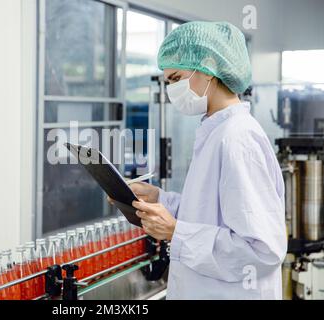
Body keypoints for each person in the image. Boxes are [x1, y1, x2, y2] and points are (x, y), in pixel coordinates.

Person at [111, 21, 287, 299]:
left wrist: (176, 233)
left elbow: (262, 251)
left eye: (176, 78)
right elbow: (211, 214)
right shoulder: (215, 130)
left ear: (208, 69)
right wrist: (159, 199)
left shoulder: (237, 138)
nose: (171, 91)